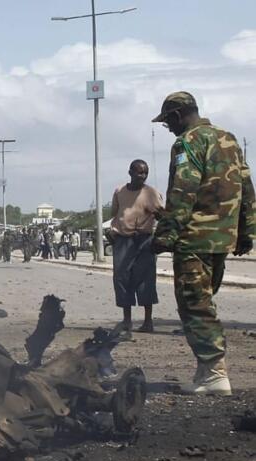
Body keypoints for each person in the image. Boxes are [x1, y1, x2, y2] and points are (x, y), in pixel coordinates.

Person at [151, 91, 255, 395]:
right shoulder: (229, 139)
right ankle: (205, 371)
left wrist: (166, 235)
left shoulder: (187, 142)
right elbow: (246, 187)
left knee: (195, 306)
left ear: (177, 115)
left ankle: (214, 373)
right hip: (222, 239)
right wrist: (247, 231)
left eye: (167, 122)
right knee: (205, 302)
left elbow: (183, 191)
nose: (167, 128)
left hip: (194, 239)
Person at [108, 159, 164, 334]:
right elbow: (115, 213)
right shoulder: (119, 191)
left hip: (144, 241)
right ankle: (127, 321)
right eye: (139, 172)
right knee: (122, 279)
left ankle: (148, 322)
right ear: (130, 172)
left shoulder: (152, 193)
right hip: (123, 240)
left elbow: (163, 216)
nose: (143, 176)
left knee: (146, 280)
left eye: (145, 173)